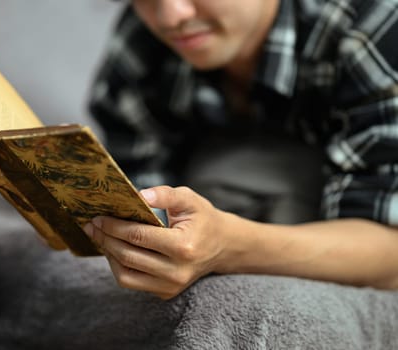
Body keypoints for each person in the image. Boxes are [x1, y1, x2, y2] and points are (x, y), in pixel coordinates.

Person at [83, 0, 398, 300]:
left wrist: (230, 247)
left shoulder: (368, 26)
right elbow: (137, 185)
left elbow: (391, 252)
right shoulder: (140, 41)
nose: (170, 17)